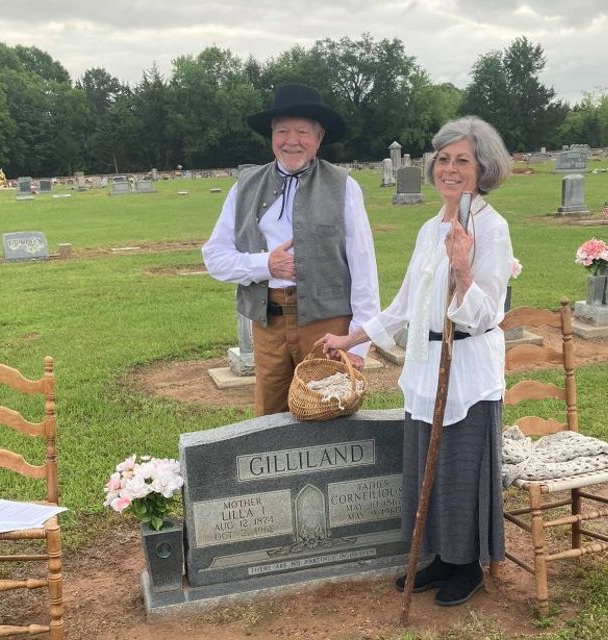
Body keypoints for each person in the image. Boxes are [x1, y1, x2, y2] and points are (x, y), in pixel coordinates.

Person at [316, 116, 513, 606]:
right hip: (426, 364)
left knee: (461, 466)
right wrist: (350, 339)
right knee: (431, 463)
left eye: (461, 160)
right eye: (443, 159)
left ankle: (467, 565)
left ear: (482, 168)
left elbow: (487, 313)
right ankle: (443, 557)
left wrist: (464, 269)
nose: (449, 168)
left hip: (466, 367)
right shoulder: (431, 228)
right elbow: (404, 305)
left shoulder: (491, 227)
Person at [202, 84, 380, 416]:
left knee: (328, 414)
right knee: (268, 418)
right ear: (272, 135)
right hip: (269, 323)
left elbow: (363, 267)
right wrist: (266, 264)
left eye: (302, 131)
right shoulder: (245, 188)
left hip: (327, 325)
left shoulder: (344, 187)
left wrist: (359, 341)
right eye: (283, 131)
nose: (292, 140)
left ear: (319, 136)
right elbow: (215, 257)